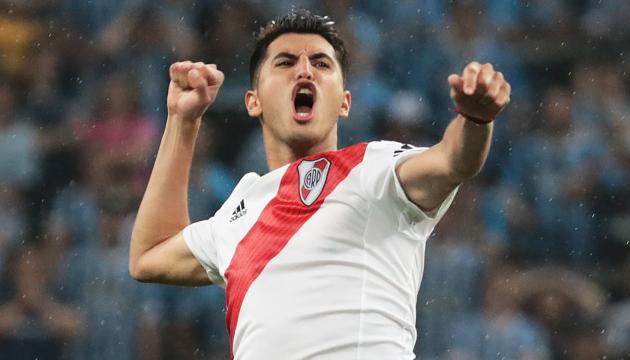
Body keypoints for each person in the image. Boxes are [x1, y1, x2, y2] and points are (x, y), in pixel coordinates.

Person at [129, 9, 511, 360]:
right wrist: (182, 121)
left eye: (321, 63)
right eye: (285, 62)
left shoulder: (373, 170)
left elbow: (453, 160)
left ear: (344, 102)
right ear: (253, 101)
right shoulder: (238, 211)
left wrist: (475, 120)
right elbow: (149, 256)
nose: (305, 71)